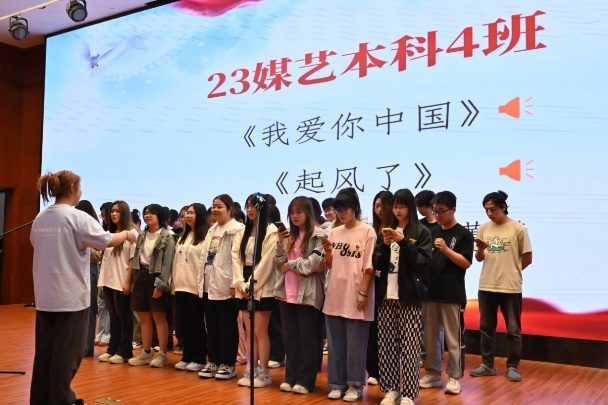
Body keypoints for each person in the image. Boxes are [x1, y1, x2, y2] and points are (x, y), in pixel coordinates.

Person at [29, 170, 136, 405]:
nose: (81, 192)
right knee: (67, 355)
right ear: (72, 189)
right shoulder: (77, 217)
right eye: (80, 187)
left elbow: (35, 244)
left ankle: (40, 400)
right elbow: (107, 240)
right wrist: (128, 233)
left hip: (45, 296)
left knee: (45, 353)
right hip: (70, 297)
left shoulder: (41, 217)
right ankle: (62, 400)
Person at [374, 188, 432, 405]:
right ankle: (391, 390)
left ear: (410, 208)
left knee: (410, 348)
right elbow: (376, 262)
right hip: (385, 297)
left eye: (402, 206)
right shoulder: (386, 230)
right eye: (395, 207)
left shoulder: (421, 231)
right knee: (387, 346)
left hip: (409, 297)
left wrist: (404, 243)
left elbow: (423, 263)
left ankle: (408, 393)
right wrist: (384, 246)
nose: (398, 211)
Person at [320, 187, 377, 402]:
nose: (341, 214)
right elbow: (329, 265)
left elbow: (369, 266)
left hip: (356, 294)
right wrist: (328, 251)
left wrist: (363, 292)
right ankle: (337, 383)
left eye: (344, 209)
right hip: (335, 293)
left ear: (355, 208)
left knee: (355, 344)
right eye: (338, 210)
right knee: (335, 343)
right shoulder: (334, 232)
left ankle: (355, 384)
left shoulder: (367, 231)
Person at [470, 191, 532, 382]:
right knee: (486, 328)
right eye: (486, 210)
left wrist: (512, 271)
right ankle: (487, 365)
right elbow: (479, 258)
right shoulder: (483, 228)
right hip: (487, 284)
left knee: (513, 330)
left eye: (492, 209)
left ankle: (512, 367)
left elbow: (528, 257)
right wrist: (480, 250)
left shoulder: (518, 228)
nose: (489, 213)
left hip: (510, 287)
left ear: (503, 207)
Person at [418, 191, 473, 395]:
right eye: (435, 211)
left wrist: (445, 250)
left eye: (442, 211)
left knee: (453, 338)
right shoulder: (431, 232)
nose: (438, 215)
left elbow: (466, 262)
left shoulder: (463, 234)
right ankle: (433, 373)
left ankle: (454, 376)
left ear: (453, 210)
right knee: (430, 337)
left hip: (452, 293)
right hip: (430, 291)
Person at [274, 196, 327, 395]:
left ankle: (306, 380)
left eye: (299, 212)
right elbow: (278, 262)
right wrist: (280, 242)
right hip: (286, 293)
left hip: (308, 293)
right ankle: (291, 377)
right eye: (292, 213)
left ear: (308, 213)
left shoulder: (319, 235)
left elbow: (313, 265)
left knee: (308, 339)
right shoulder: (289, 235)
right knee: (290, 338)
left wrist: (290, 265)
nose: (295, 216)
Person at [197, 194, 245, 380]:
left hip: (226, 285)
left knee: (227, 327)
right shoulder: (212, 229)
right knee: (211, 326)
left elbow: (237, 260)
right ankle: (213, 361)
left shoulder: (238, 229)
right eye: (213, 206)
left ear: (230, 209)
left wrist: (234, 283)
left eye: (219, 206)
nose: (215, 210)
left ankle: (228, 364)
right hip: (209, 283)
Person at [233, 194, 278, 387]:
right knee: (249, 331)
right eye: (248, 206)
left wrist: (251, 285)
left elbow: (267, 262)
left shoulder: (271, 231)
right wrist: (239, 282)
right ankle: (251, 369)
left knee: (260, 330)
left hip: (262, 284)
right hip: (243, 283)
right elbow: (236, 256)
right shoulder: (243, 231)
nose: (250, 209)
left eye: (254, 206)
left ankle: (264, 372)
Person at [128, 204, 175, 368]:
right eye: (146, 213)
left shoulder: (167, 237)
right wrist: (134, 281)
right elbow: (136, 259)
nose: (148, 216)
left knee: (159, 317)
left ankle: (162, 353)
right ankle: (146, 352)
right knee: (144, 317)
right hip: (141, 275)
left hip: (157, 277)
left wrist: (161, 285)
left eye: (152, 213)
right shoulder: (141, 235)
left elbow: (168, 263)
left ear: (159, 216)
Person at [97, 201, 139, 364]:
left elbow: (132, 260)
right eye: (112, 211)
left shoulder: (132, 234)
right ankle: (112, 349)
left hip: (121, 281)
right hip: (108, 280)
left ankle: (124, 350)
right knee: (113, 316)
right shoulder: (111, 234)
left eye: (117, 211)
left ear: (124, 213)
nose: (114, 214)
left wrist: (128, 282)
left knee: (124, 317)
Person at [172, 203, 209, 372]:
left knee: (197, 323)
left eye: (192, 213)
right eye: (187, 213)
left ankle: (199, 357)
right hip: (181, 285)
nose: (187, 215)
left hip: (196, 286)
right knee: (184, 323)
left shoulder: (206, 237)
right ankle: (187, 356)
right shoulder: (182, 237)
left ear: (200, 215)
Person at [366, 190, 393, 386]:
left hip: (390, 284)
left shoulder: (397, 231)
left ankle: (387, 371)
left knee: (387, 331)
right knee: (372, 329)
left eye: (382, 206)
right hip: (371, 282)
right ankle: (373, 371)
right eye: (376, 206)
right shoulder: (370, 230)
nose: (379, 210)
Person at [74, 200, 104, 358]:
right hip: (75, 269)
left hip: (90, 269)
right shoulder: (75, 228)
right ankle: (76, 345)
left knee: (90, 310)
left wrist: (83, 248)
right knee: (75, 310)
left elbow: (99, 255)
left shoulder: (95, 228)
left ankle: (86, 347)